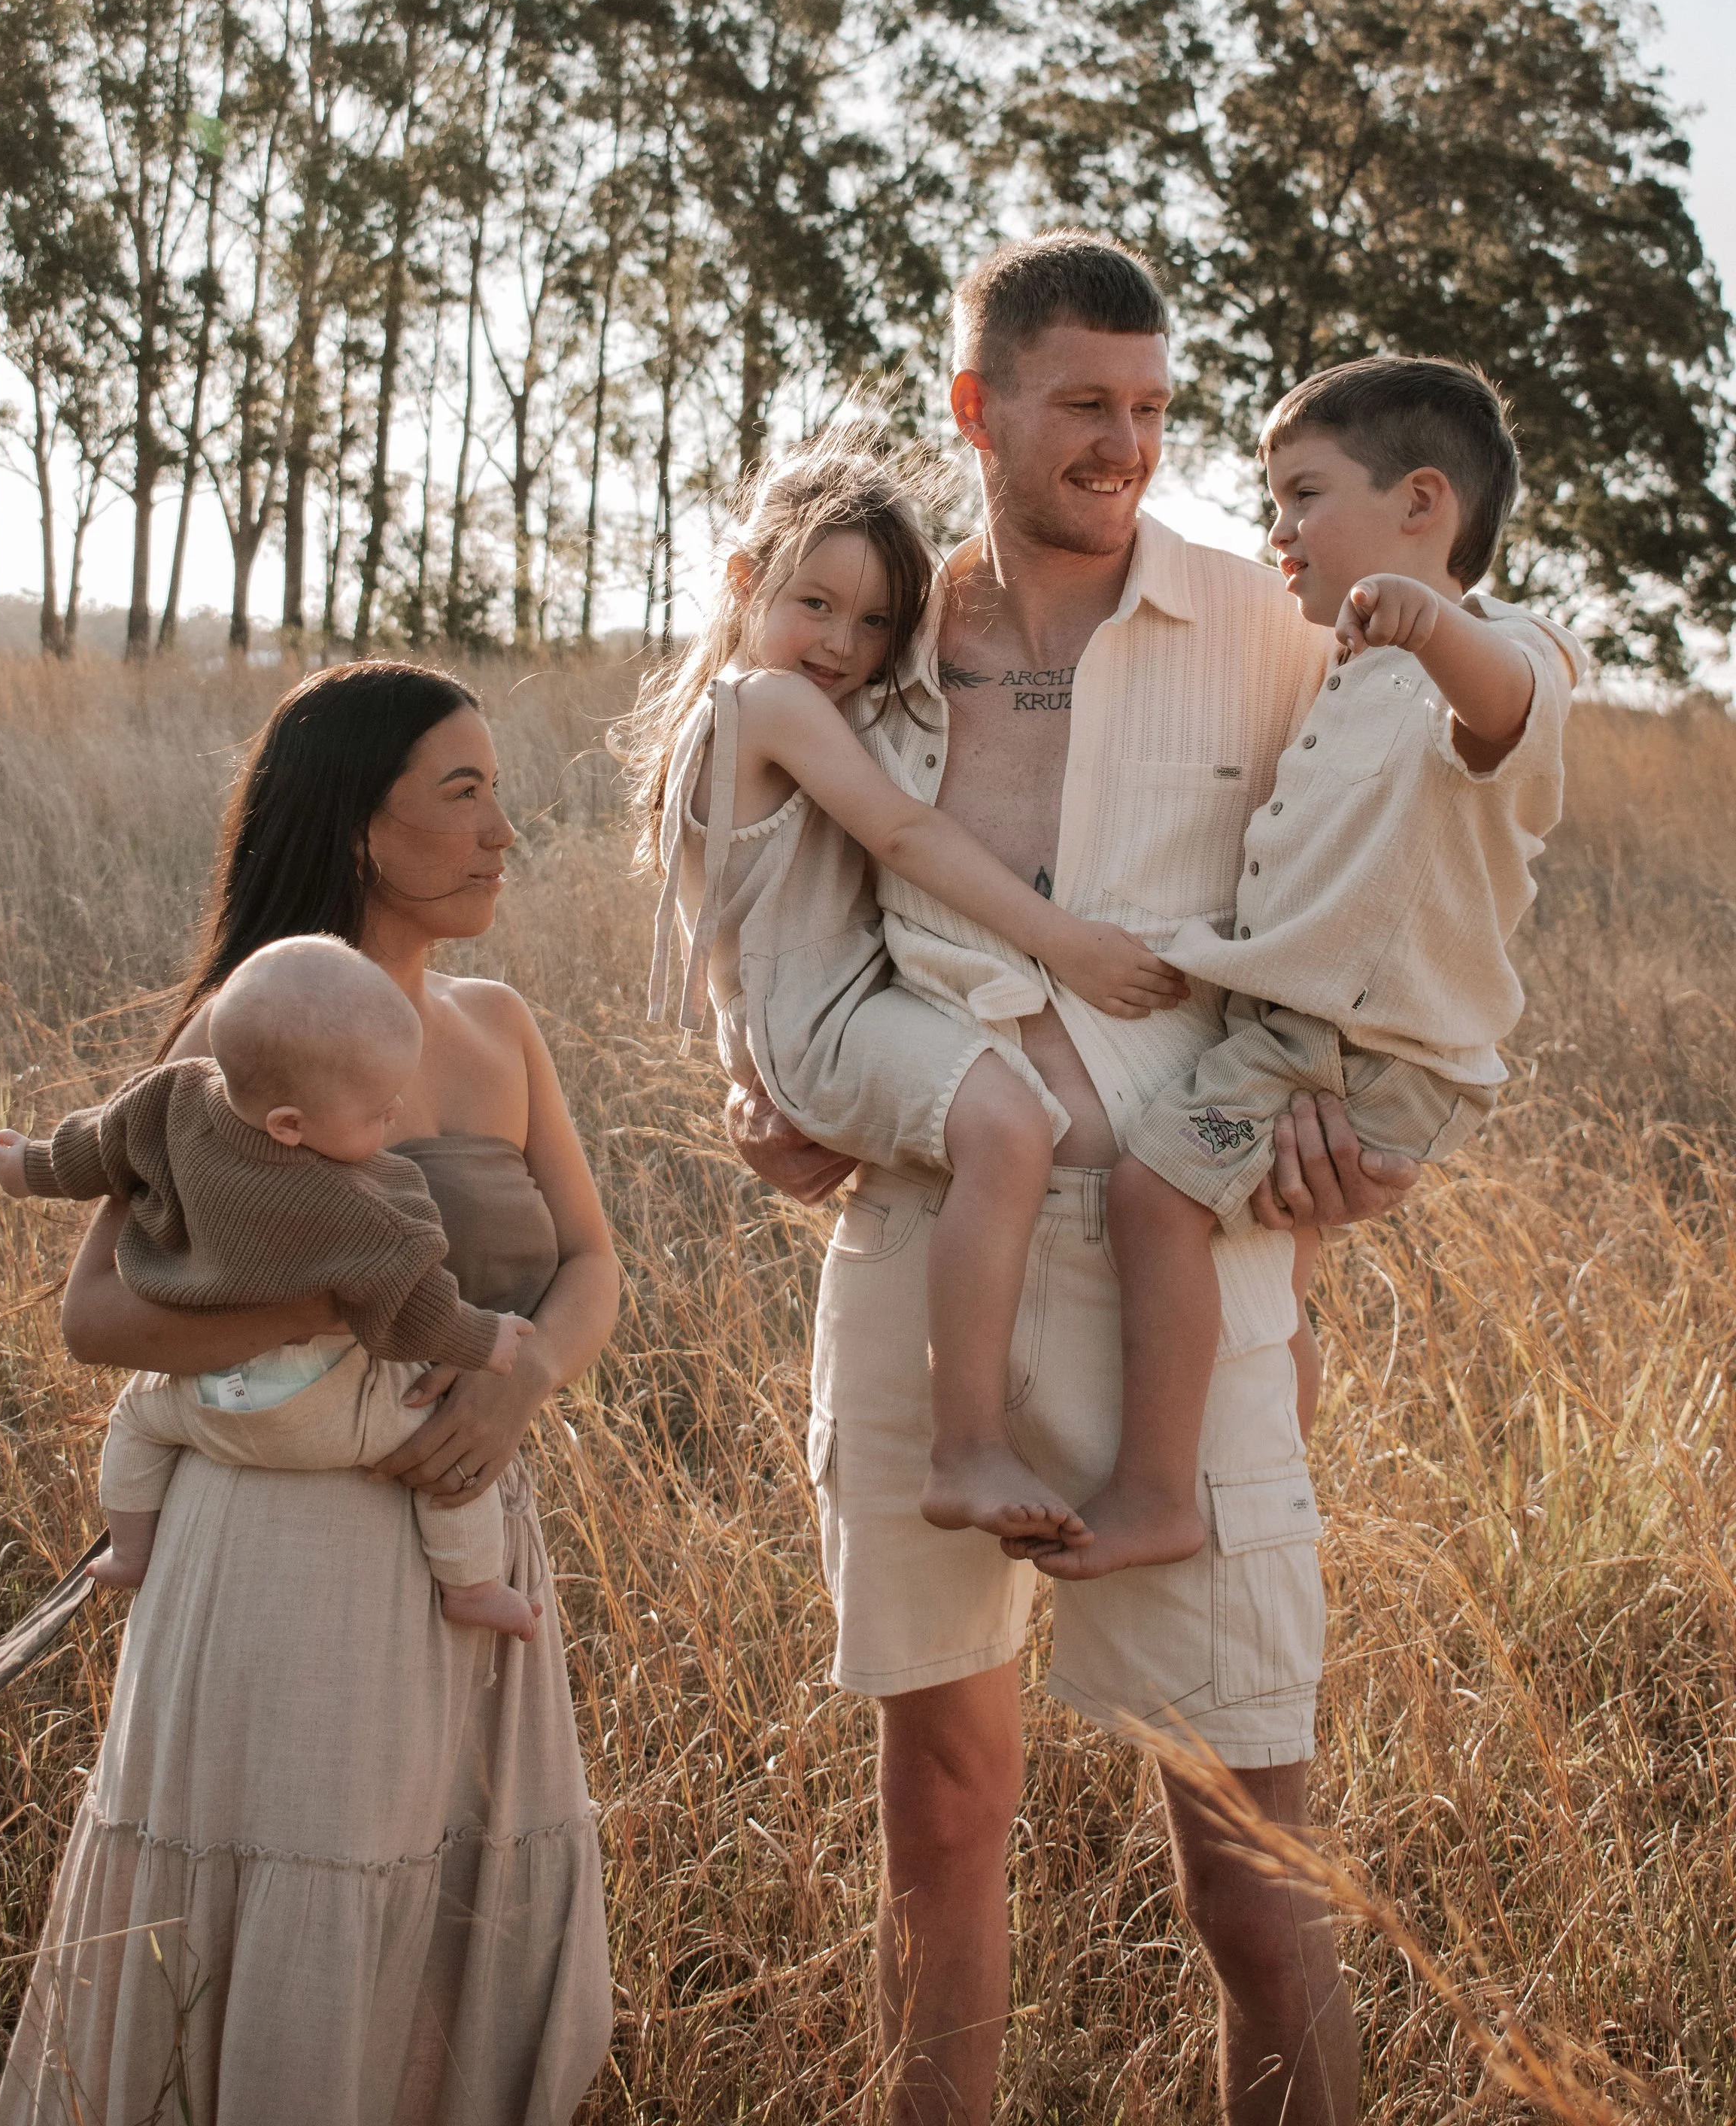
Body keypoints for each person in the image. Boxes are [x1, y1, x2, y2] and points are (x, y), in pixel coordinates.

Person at [729, 231, 1419, 2126]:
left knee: (1251, 1867)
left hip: (1175, 1274)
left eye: (1148, 406)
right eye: (1079, 407)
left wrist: (1358, 1136)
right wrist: (758, 1090)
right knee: (939, 1822)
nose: (1123, 445)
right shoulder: (863, 635)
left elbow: (1392, 889)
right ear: (977, 409)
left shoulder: (1262, 625)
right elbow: (774, 932)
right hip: (919, 1266)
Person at [0, 661, 618, 2126]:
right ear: (358, 828)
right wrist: (356, 1288)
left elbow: (590, 1265)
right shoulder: (251, 1032)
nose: (503, 831)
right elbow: (97, 1315)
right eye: (463, 796)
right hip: (287, 1563)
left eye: (499, 794)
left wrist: (516, 1393)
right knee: (297, 1929)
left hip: (467, 1521)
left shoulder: (499, 1025)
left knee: (446, 1940)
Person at [1026, 357, 1586, 1577]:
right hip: (1314, 1029)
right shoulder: (1346, 667)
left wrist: (1428, 619)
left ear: (1422, 505)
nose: (1278, 532)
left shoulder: (1492, 651)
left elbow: (1504, 713)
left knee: (1150, 1198)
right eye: (1272, 503)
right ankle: (1264, 1483)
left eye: (1304, 497)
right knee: (1272, 1283)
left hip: (1361, 1048)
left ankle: (1161, 1492)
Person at [625, 423, 1188, 1550]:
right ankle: (965, 1444)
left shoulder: (780, 708)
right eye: (816, 604)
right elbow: (901, 832)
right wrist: (1066, 944)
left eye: (878, 620)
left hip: (819, 1021)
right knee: (1013, 1125)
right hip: (825, 1027)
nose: (843, 642)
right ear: (746, 583)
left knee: (1011, 1117)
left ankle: (987, 1431)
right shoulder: (764, 706)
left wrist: (747, 1064)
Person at [0, 934, 541, 1639]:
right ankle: (472, 1586)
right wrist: (484, 1339)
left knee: (133, 1423)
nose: (394, 1115)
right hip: (321, 1417)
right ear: (290, 1125)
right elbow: (415, 1309)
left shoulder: (173, 1100)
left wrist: (26, 1167)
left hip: (204, 1403)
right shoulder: (362, 1207)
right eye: (378, 1111)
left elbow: (96, 1149)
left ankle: (129, 1549)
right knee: (448, 1460)